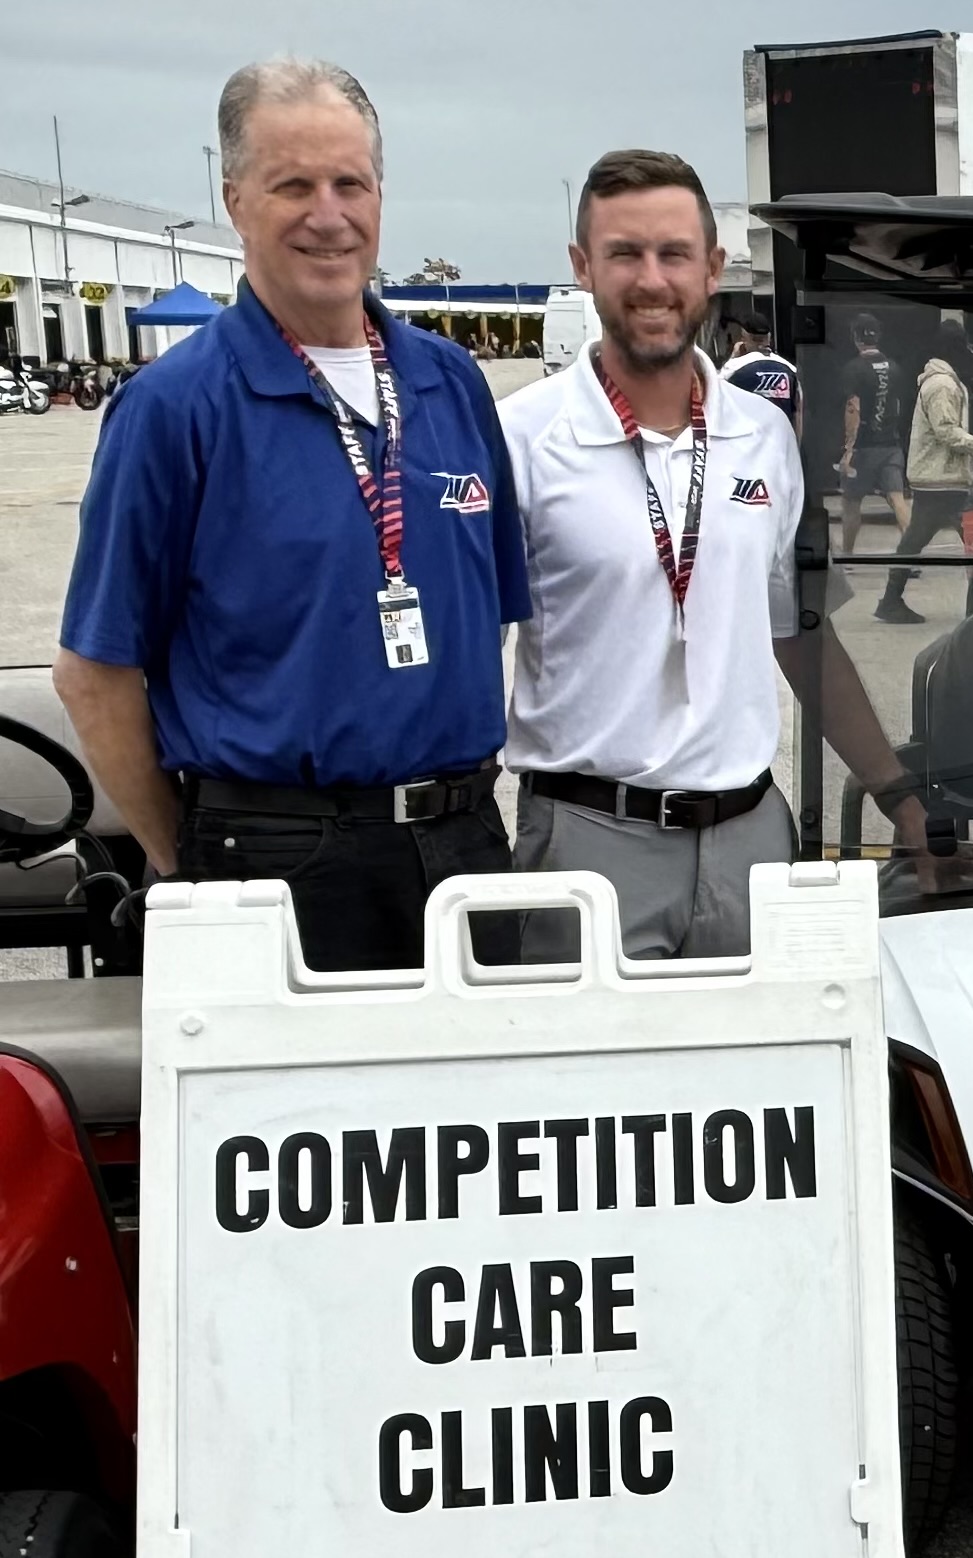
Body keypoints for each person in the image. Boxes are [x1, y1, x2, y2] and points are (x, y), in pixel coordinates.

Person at [52, 57, 525, 971]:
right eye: (292, 185)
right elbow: (92, 675)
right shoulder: (175, 408)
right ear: (234, 199)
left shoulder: (451, 383)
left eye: (351, 182)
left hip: (465, 847)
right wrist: (184, 862)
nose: (328, 213)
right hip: (275, 858)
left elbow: (491, 615)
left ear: (381, 193)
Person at [500, 149, 802, 959]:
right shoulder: (523, 437)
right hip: (589, 843)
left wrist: (893, 792)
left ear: (711, 267)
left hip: (749, 840)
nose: (651, 279)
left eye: (673, 254)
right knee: (585, 1084)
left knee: (760, 1078)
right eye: (623, 253)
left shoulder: (764, 436)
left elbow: (788, 627)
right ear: (581, 267)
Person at [875, 336, 973, 625]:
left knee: (918, 540)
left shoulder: (940, 381)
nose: (971, 355)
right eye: (967, 349)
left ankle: (891, 600)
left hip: (938, 476)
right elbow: (947, 432)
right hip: (944, 478)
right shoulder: (943, 385)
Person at [834, 313, 908, 555]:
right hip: (891, 445)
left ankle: (847, 554)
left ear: (856, 337)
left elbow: (853, 407)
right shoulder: (895, 368)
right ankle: (911, 551)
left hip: (864, 447)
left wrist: (849, 448)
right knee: (897, 498)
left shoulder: (854, 369)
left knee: (851, 501)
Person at [721, 308, 800, 431]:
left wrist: (733, 357)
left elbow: (715, 398)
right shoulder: (790, 370)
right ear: (769, 338)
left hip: (747, 446)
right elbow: (798, 414)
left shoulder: (733, 368)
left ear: (744, 338)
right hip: (781, 445)